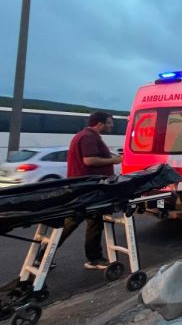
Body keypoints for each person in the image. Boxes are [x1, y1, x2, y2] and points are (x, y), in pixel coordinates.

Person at [59, 112, 122, 270]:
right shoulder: (89, 137)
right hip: (87, 189)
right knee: (77, 222)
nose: (111, 126)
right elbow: (89, 160)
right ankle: (94, 259)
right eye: (109, 123)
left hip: (86, 188)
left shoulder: (86, 135)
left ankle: (93, 258)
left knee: (93, 222)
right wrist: (114, 160)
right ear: (99, 124)